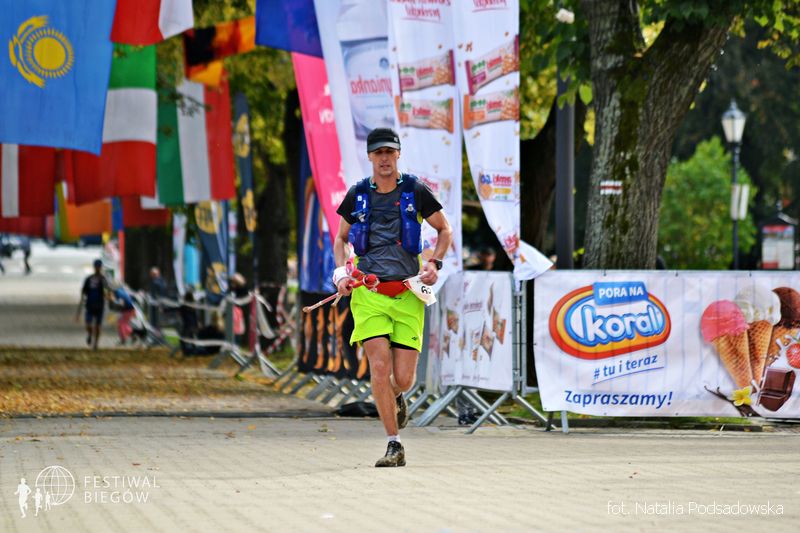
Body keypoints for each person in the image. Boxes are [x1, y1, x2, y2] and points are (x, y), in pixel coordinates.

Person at [333, 127, 452, 467]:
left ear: (398, 154)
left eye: (389, 152)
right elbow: (341, 239)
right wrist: (341, 273)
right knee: (379, 366)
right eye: (378, 153)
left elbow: (444, 229)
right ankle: (393, 444)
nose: (384, 158)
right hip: (369, 293)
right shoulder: (357, 194)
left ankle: (396, 395)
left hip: (407, 293)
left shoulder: (415, 190)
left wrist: (434, 262)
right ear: (370, 156)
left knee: (403, 379)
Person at [76, 259, 109, 350]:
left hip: (100, 306)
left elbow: (107, 292)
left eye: (99, 267)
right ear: (94, 267)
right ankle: (90, 334)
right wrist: (79, 310)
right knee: (88, 325)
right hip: (89, 305)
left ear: (101, 268)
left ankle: (96, 344)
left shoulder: (103, 280)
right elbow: (83, 292)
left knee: (98, 326)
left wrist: (108, 298)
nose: (98, 268)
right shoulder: (89, 279)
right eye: (96, 266)